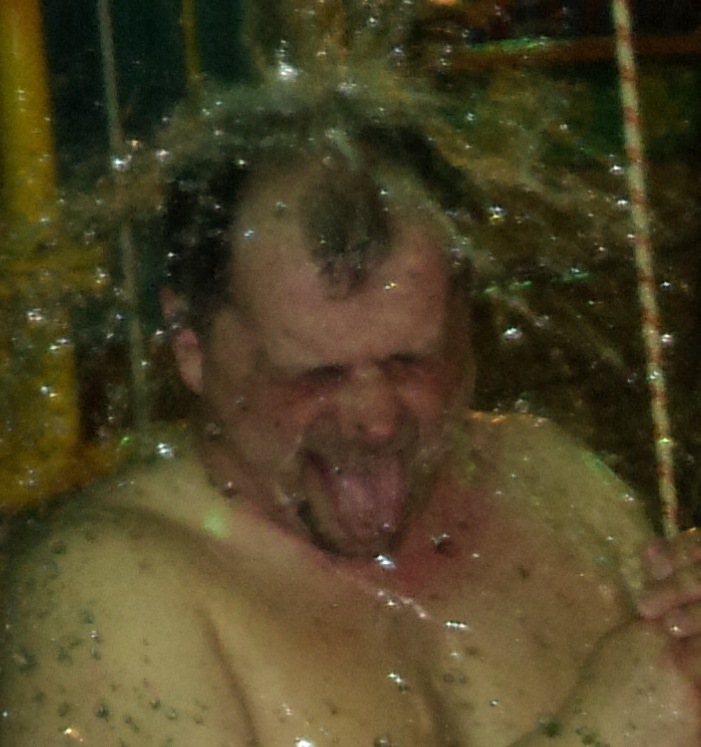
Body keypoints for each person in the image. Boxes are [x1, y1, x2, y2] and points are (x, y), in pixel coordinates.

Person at [2, 83, 701, 747]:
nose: (376, 420)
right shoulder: (108, 595)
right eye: (316, 375)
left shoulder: (556, 485)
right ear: (192, 348)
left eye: (411, 361)